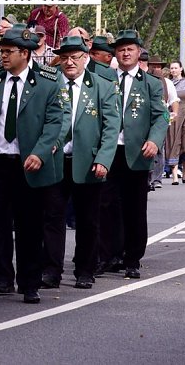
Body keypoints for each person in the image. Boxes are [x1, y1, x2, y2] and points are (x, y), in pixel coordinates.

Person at [0, 27, 63, 304]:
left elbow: (54, 122)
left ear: (25, 52)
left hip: (28, 164)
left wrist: (40, 153)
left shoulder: (47, 82)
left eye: (8, 52)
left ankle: (29, 283)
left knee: (29, 227)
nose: (3, 56)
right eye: (2, 51)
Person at [42, 36, 119, 290]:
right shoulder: (50, 84)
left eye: (75, 57)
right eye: (64, 57)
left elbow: (111, 127)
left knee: (88, 220)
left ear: (86, 57)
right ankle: (51, 270)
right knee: (52, 217)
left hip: (88, 162)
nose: (69, 62)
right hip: (55, 161)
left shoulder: (102, 86)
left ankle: (85, 270)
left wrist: (104, 160)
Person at [97, 30, 168, 279]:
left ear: (139, 53)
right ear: (115, 53)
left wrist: (154, 140)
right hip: (108, 151)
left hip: (137, 152)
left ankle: (132, 258)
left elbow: (161, 116)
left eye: (130, 49)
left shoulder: (150, 82)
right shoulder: (103, 78)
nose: (126, 53)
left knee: (135, 207)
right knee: (106, 206)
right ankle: (108, 255)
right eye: (121, 49)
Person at [147, 55, 178, 189]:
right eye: (153, 66)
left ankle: (157, 179)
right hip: (146, 118)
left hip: (161, 118)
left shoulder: (167, 83)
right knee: (147, 148)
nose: (156, 69)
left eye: (158, 66)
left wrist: (174, 113)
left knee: (159, 149)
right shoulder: (144, 80)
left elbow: (174, 100)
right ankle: (148, 178)